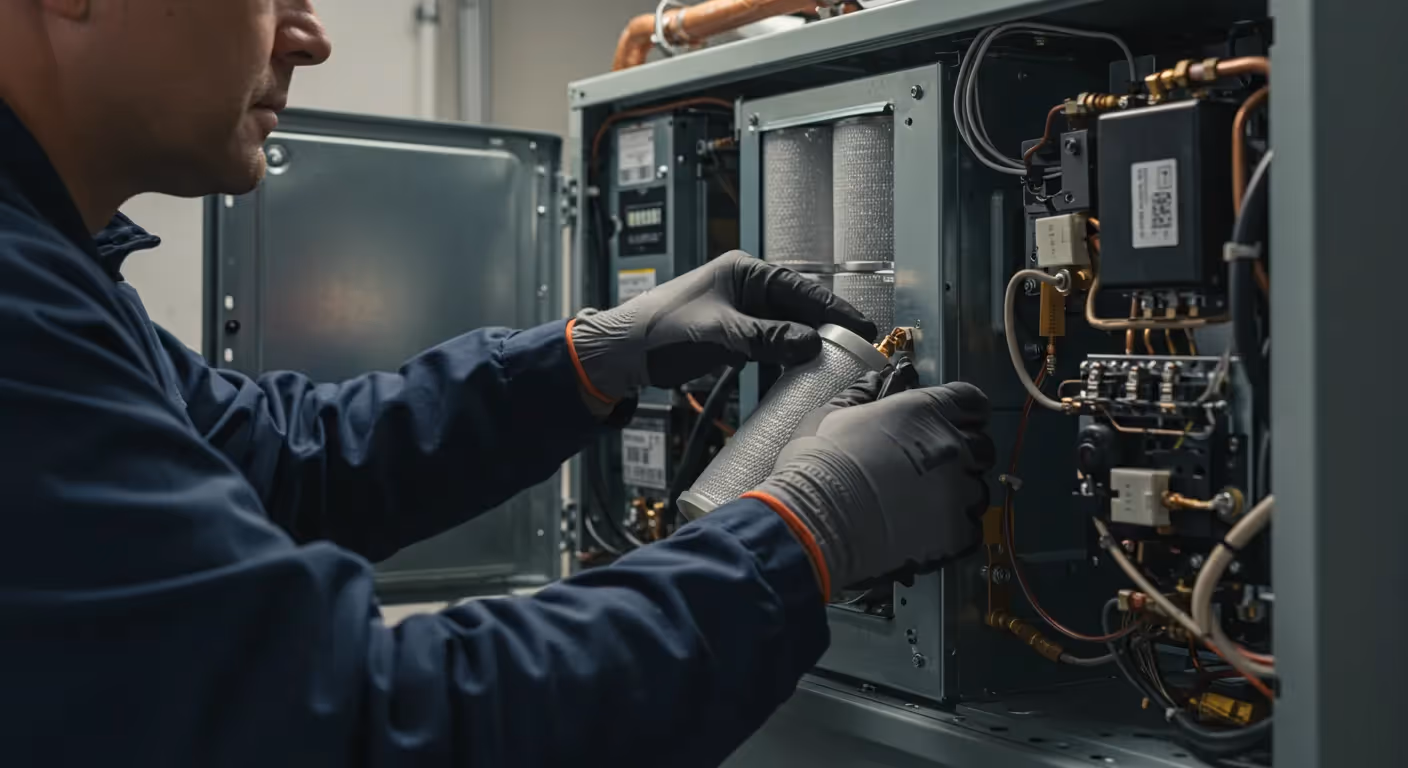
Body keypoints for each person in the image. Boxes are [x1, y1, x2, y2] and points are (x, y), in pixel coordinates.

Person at [0, 1, 994, 766]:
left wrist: (584, 359)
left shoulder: (49, 269)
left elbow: (284, 465)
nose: (308, 37)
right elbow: (368, 724)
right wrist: (802, 537)